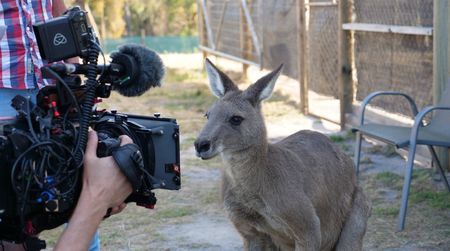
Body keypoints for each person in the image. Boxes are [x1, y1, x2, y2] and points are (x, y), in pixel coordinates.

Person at [0, 0, 131, 250]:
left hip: (55, 83)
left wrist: (78, 80)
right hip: (4, 91)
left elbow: (55, 6)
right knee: (11, 202)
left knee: (78, 181)